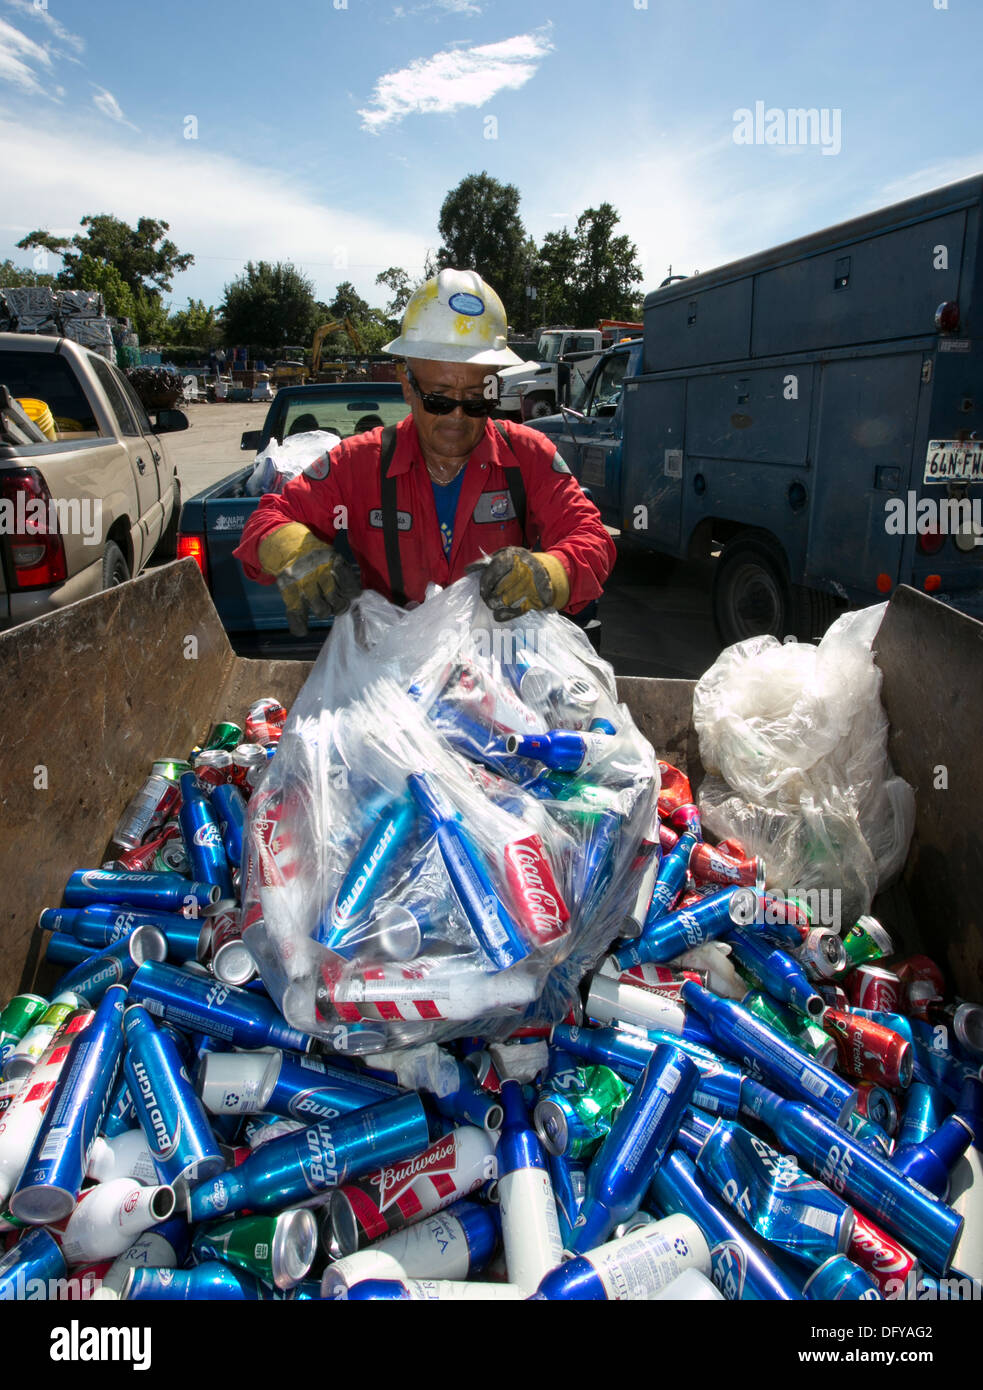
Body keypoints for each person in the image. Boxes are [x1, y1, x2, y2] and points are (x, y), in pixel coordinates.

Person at [234, 269, 616, 636]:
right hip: (393, 677)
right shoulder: (358, 464)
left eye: (477, 400)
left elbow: (592, 538)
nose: (457, 416)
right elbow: (268, 520)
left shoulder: (528, 456)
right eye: (439, 399)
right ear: (407, 387)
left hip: (495, 672)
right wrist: (294, 552)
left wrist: (549, 573)